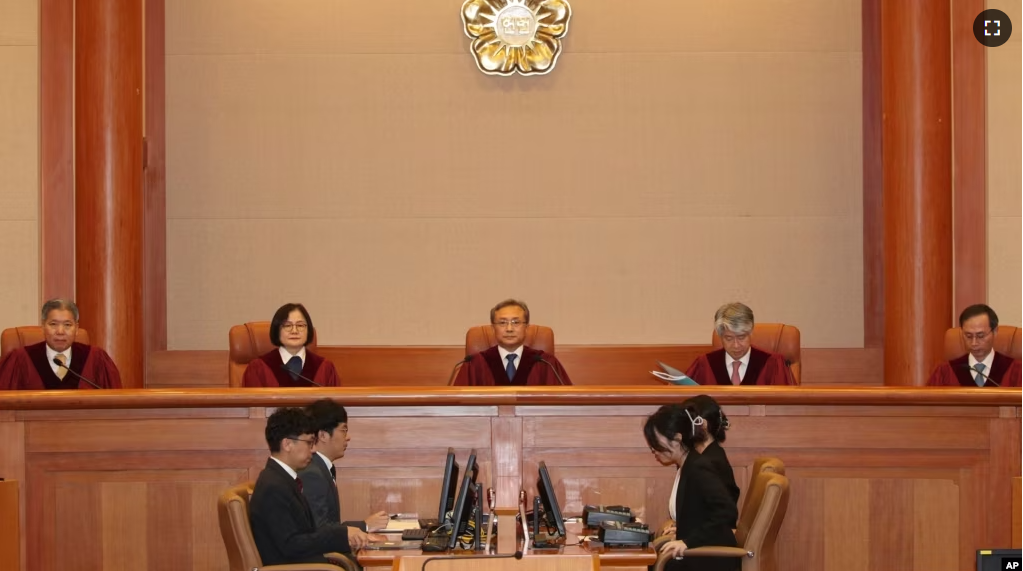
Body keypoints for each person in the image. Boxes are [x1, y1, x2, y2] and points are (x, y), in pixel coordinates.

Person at [249, 407, 383, 567]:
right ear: (287, 444)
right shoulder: (273, 486)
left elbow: (307, 533)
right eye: (309, 443)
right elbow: (292, 545)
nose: (313, 449)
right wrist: (343, 535)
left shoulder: (281, 479)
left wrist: (346, 533)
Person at [645, 403, 739, 571]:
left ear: (677, 438)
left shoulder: (698, 467)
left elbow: (727, 511)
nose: (653, 449)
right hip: (699, 552)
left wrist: (688, 541)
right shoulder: (689, 465)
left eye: (656, 441)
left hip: (710, 559)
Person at [299, 399, 389, 535]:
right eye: (343, 430)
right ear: (323, 435)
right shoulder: (312, 473)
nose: (348, 437)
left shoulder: (321, 467)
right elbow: (320, 530)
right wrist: (364, 526)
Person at [656, 395, 740, 539]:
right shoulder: (696, 459)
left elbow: (723, 517)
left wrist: (689, 538)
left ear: (703, 425)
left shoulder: (710, 463)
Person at [0, 299, 121, 390]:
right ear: (43, 327)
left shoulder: (96, 359)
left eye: (67, 325)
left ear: (77, 328)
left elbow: (114, 403)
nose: (60, 331)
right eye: (53, 324)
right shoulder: (21, 359)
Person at [452, 299, 572, 386]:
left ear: (526, 328)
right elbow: (457, 406)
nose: (509, 329)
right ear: (493, 328)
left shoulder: (546, 363)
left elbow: (567, 405)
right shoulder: (474, 364)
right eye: (502, 323)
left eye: (516, 322)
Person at [685, 303, 792, 386]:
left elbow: (788, 406)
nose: (736, 345)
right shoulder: (704, 364)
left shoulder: (773, 364)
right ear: (720, 336)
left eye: (741, 337)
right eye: (729, 338)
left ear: (751, 332)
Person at [242, 303, 341, 387]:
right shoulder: (258, 368)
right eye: (287, 325)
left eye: (300, 325)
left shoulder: (325, 368)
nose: (294, 331)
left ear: (309, 330)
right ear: (277, 330)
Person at [927, 304, 1021, 387]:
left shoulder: (1017, 370)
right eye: (968, 336)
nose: (974, 343)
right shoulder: (945, 372)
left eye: (980, 336)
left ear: (995, 331)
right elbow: (927, 405)